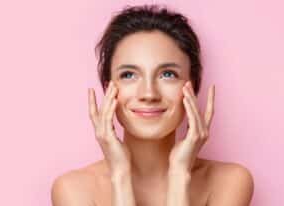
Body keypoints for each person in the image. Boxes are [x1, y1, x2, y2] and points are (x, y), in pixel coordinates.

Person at [51, 4, 254, 206]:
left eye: (168, 74)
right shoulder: (73, 189)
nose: (149, 94)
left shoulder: (229, 182)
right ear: (108, 90)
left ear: (191, 87)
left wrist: (179, 174)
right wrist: (120, 176)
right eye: (128, 75)